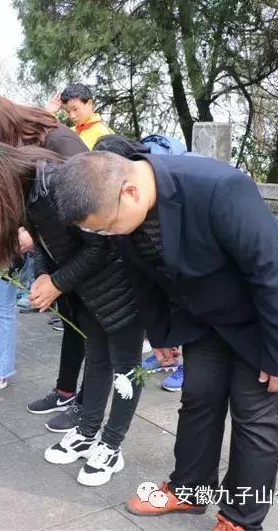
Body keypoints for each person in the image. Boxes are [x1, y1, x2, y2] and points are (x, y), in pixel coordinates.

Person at [53, 151, 278, 530]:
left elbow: (275, 271)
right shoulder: (122, 213)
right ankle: (190, 489)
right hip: (207, 315)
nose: (106, 235)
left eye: (107, 227)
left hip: (268, 315)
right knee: (199, 399)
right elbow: (141, 274)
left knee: (256, 418)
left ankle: (241, 518)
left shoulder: (216, 187)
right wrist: (160, 332)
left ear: (129, 192)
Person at [0, 94, 90, 415]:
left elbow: (85, 210)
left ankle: (88, 406)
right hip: (58, 251)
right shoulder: (16, 154)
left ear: (2, 122)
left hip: (86, 250)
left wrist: (33, 235)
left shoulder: (59, 141)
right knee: (73, 320)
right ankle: (65, 390)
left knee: (95, 332)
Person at [92, 135, 184, 392]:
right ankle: (170, 348)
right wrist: (160, 334)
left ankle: (186, 362)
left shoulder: (179, 192)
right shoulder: (129, 221)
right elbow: (143, 276)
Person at [45, 84, 113, 150]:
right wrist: (49, 113)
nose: (72, 116)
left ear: (89, 103)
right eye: (67, 111)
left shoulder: (103, 133)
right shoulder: (69, 131)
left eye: (75, 109)